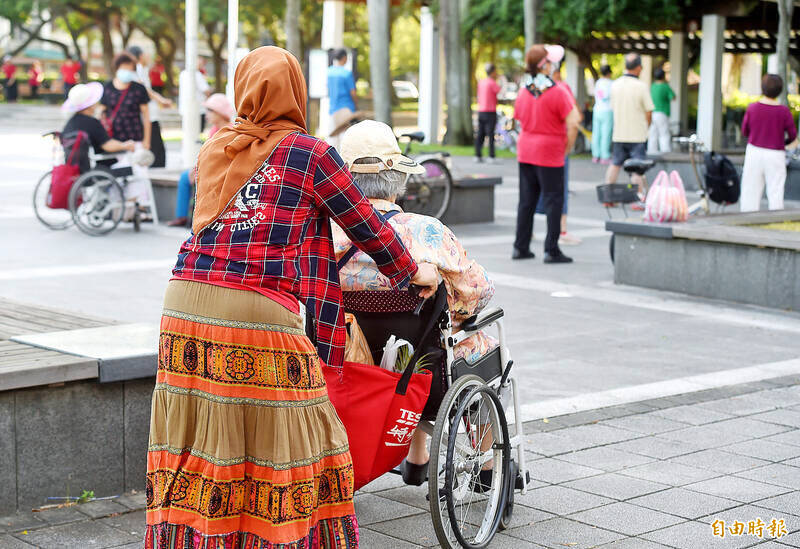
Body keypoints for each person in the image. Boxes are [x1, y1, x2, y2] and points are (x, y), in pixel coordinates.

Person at [144, 46, 438, 548]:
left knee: (209, 433)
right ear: (295, 92)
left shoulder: (218, 147)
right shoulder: (310, 153)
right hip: (254, 304)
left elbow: (217, 231)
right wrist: (413, 271)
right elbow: (368, 227)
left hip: (183, 304)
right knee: (296, 433)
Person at [334, 119, 499, 485]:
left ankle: (417, 457)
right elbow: (479, 290)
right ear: (397, 181)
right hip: (427, 374)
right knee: (475, 341)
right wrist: (457, 308)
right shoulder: (426, 231)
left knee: (424, 338)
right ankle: (487, 469)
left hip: (354, 366)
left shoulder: (329, 236)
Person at [512, 44, 581, 264]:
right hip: (549, 152)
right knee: (553, 200)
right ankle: (551, 249)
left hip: (526, 150)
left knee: (526, 201)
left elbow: (518, 120)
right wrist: (567, 147)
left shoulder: (524, 91)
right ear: (545, 65)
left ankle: (520, 246)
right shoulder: (558, 91)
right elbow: (574, 122)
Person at [167, 93, 236, 227]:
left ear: (220, 112)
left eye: (210, 110)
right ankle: (182, 216)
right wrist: (197, 168)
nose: (207, 114)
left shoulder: (230, 130)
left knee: (191, 178)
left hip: (221, 171)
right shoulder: (214, 130)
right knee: (184, 177)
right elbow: (206, 154)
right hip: (209, 168)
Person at [740, 74, 799, 212]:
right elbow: (793, 135)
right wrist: (782, 141)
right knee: (775, 189)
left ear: (762, 87)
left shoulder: (752, 108)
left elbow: (744, 131)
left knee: (750, 189)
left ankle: (747, 220)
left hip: (754, 151)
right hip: (776, 153)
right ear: (780, 90)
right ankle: (775, 220)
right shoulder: (784, 111)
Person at [605, 53, 654, 202]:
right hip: (637, 134)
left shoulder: (614, 85)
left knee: (615, 164)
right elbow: (649, 111)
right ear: (639, 68)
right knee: (637, 169)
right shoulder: (641, 86)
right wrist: (647, 127)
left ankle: (607, 196)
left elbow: (613, 107)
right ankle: (638, 198)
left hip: (619, 133)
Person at [546, 49, 583, 246]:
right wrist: (568, 145)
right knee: (559, 189)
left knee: (537, 190)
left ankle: (537, 231)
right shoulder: (562, 88)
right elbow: (575, 119)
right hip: (557, 146)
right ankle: (561, 230)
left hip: (536, 150)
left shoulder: (535, 88)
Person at [61, 82, 136, 171]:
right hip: (96, 168)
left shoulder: (71, 122)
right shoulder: (92, 122)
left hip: (75, 167)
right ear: (91, 105)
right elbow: (108, 145)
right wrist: (125, 145)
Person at [128, 45, 173, 168]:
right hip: (147, 114)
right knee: (155, 144)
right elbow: (146, 91)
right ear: (141, 56)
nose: (148, 57)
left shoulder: (141, 70)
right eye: (146, 54)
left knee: (156, 143)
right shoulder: (137, 70)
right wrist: (162, 100)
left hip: (150, 113)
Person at [327, 48, 357, 148]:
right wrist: (356, 105)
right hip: (346, 107)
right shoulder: (346, 73)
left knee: (333, 139)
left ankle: (332, 162)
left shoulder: (329, 72)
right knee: (345, 138)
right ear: (344, 58)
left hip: (333, 108)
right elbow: (352, 92)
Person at [475, 63, 501, 163]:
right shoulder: (492, 83)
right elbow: (499, 91)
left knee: (480, 133)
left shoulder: (481, 82)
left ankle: (478, 155)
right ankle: (491, 156)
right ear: (493, 72)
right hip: (490, 112)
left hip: (481, 111)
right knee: (490, 134)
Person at [179, 56, 212, 133]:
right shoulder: (197, 75)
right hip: (198, 109)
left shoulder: (183, 74)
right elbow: (206, 90)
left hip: (185, 108)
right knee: (197, 132)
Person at [648, 67, 675, 154]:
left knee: (653, 133)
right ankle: (665, 152)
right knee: (664, 133)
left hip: (652, 113)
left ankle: (652, 151)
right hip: (662, 112)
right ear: (663, 76)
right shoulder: (665, 86)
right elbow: (673, 97)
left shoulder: (652, 86)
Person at [592, 64, 613, 164]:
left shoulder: (598, 83)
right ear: (609, 73)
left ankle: (596, 155)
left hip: (597, 110)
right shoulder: (611, 83)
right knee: (606, 134)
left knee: (596, 133)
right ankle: (605, 156)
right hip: (607, 110)